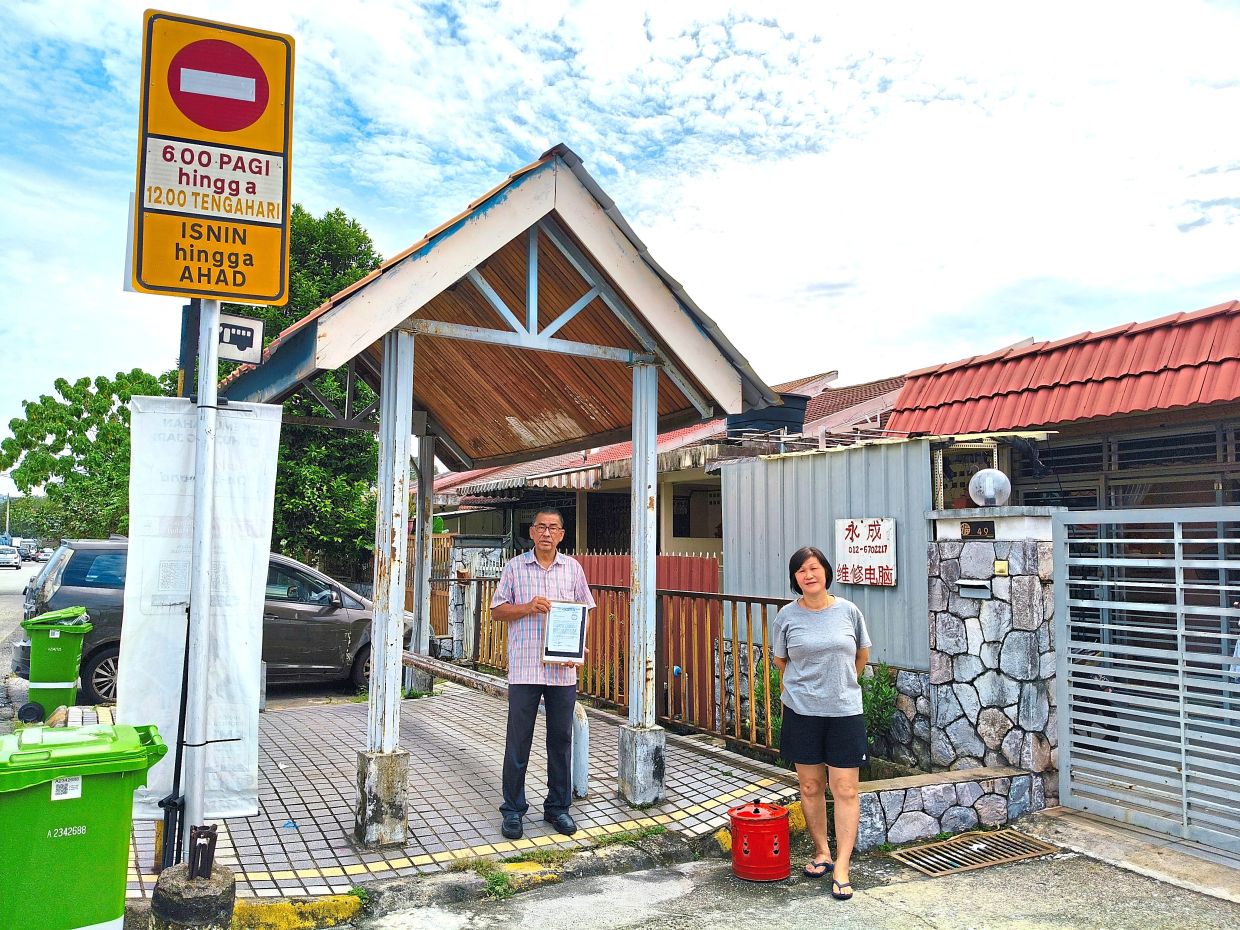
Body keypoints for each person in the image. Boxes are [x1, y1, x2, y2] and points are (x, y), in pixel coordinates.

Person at [771, 546, 871, 902]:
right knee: (811, 787)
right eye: (801, 571)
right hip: (802, 712)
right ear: (795, 579)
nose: (808, 575)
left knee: (845, 789)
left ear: (826, 572)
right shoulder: (786, 616)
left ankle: (842, 864)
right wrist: (809, 689)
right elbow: (781, 662)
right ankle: (821, 852)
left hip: (844, 712)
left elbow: (861, 655)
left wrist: (839, 686)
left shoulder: (849, 611)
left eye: (813, 568)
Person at [490, 508, 595, 839]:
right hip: (525, 668)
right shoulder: (515, 568)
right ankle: (513, 810)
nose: (547, 533)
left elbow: (584, 610)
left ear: (562, 535)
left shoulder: (573, 570)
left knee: (561, 741)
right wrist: (527, 607)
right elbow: (497, 611)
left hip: (562, 673)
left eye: (554, 528)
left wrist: (577, 648)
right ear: (532, 532)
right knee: (518, 742)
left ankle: (558, 808)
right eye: (541, 527)